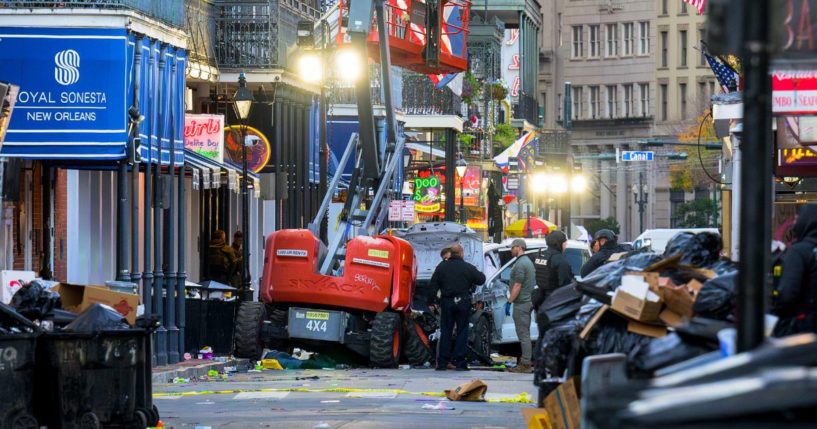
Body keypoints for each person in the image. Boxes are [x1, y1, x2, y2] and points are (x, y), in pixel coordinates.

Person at [430, 243, 486, 371]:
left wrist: (431, 301)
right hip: (463, 302)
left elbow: (433, 285)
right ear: (461, 253)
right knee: (462, 331)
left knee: (446, 332)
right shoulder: (467, 267)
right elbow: (481, 279)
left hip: (447, 302)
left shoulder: (441, 267)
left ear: (451, 253)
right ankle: (460, 362)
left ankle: (443, 362)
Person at [772, 205, 817, 336]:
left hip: (802, 327)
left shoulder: (799, 252)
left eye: (797, 220)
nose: (794, 224)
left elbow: (787, 294)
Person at [506, 238, 537, 373]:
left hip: (522, 303)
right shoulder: (526, 262)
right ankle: (525, 361)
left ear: (518, 247)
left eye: (512, 247)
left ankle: (525, 363)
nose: (511, 250)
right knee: (525, 333)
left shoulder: (520, 264)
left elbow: (517, 285)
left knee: (523, 334)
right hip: (527, 301)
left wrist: (509, 301)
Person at [532, 230, 574, 315]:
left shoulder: (541, 256)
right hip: (556, 305)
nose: (566, 245)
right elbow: (565, 286)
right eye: (565, 243)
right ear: (560, 243)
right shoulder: (561, 261)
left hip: (541, 303)